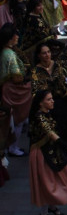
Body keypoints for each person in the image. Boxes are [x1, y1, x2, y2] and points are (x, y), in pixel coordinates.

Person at [28, 90, 67, 215]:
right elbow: (50, 133)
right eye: (49, 99)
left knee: (55, 179)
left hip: (52, 151)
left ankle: (52, 206)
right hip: (41, 154)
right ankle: (44, 212)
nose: (52, 101)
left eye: (52, 98)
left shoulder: (48, 114)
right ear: (41, 103)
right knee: (46, 183)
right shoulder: (39, 117)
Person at [30, 43, 67, 144]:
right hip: (46, 105)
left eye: (48, 52)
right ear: (39, 55)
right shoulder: (35, 72)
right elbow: (36, 91)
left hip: (60, 101)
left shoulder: (57, 65)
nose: (47, 55)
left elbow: (63, 84)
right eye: (44, 53)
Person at [0, 23, 32, 158]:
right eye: (16, 35)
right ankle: (13, 147)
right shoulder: (10, 55)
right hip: (12, 91)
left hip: (6, 89)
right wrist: (28, 78)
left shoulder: (5, 51)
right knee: (18, 120)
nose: (18, 37)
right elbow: (17, 77)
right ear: (11, 38)